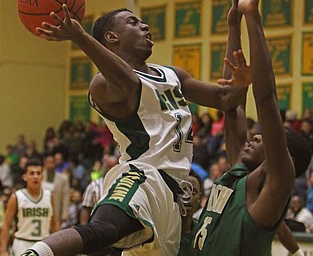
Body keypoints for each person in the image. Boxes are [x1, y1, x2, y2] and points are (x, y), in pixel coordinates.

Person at [21, 4, 249, 256]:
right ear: (111, 37)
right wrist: (80, 36)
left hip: (173, 194)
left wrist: (233, 27)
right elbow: (129, 83)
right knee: (105, 228)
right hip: (142, 175)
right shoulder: (101, 84)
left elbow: (227, 98)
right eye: (132, 22)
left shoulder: (172, 75)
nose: (145, 25)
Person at [193, 0, 311, 255]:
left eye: (265, 139)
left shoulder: (271, 191)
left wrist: (252, 17)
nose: (255, 137)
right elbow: (232, 106)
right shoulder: (240, 174)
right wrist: (233, 25)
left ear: (284, 158)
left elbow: (266, 99)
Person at [0, 158, 59, 256]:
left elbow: (54, 224)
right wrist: (3, 250)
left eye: (38, 173)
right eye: (31, 173)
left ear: (42, 176)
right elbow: (6, 225)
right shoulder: (16, 197)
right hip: (22, 243)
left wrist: (60, 245)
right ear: (25, 176)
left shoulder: (49, 196)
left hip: (44, 244)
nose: (35, 176)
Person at [177, 170, 202, 256]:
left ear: (199, 198)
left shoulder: (203, 231)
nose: (188, 196)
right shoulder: (164, 230)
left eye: (194, 192)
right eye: (183, 190)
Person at [42, 155, 71, 226]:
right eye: (47, 162)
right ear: (45, 164)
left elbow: (66, 197)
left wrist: (65, 214)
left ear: (55, 164)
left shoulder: (63, 178)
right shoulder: (40, 177)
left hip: (56, 208)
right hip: (42, 208)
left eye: (51, 162)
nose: (49, 165)